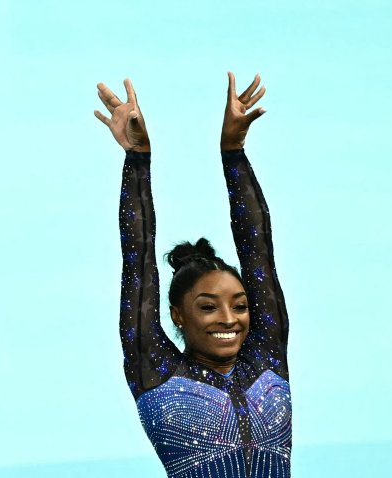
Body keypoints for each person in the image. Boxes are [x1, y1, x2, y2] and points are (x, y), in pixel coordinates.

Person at [94, 72, 291, 478]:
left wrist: (234, 152)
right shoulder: (158, 370)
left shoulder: (266, 359)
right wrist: (137, 158)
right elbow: (138, 256)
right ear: (178, 314)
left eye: (239, 305)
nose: (229, 318)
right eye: (208, 306)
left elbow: (259, 252)